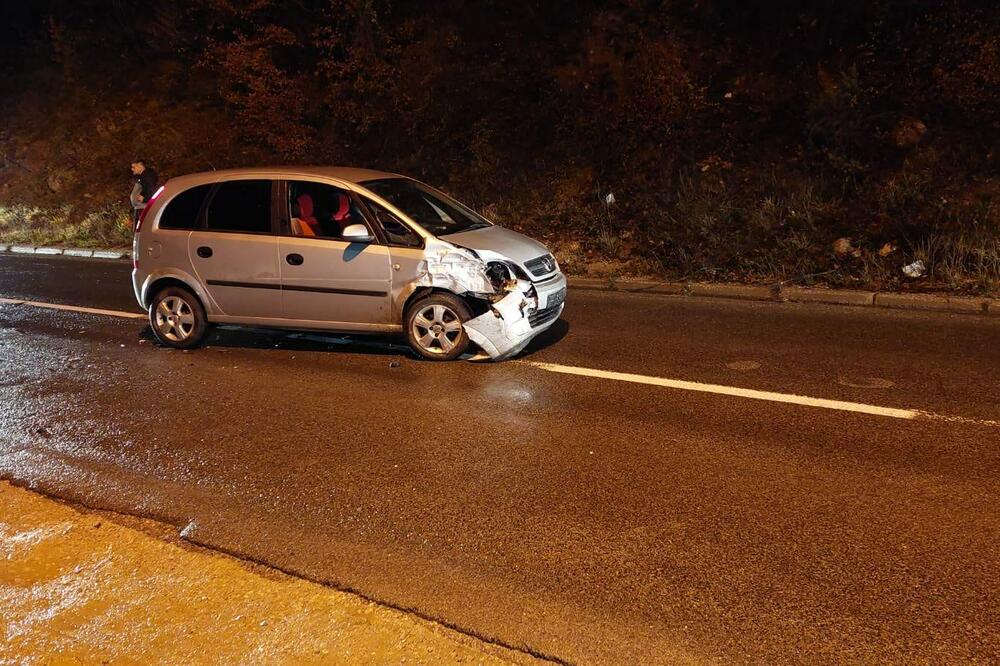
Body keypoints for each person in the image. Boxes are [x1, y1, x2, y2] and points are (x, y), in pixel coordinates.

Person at [129, 160, 159, 224]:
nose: (132, 169)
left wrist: (144, 198)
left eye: (134, 167)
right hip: (141, 207)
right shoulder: (143, 176)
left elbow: (150, 188)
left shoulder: (148, 175)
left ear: (140, 165)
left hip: (145, 207)